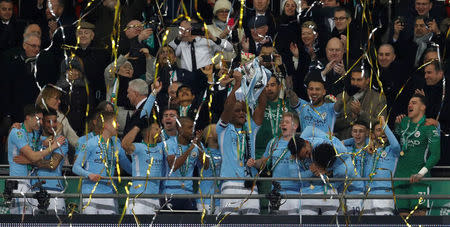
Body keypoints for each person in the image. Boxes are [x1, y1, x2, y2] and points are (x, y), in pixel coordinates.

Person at [217, 70, 266, 215]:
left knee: (252, 224)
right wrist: (237, 83)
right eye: (237, 111)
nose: (241, 113)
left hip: (250, 185)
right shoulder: (222, 129)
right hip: (230, 184)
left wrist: (259, 80)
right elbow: (228, 105)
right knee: (229, 224)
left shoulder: (251, 128)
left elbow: (262, 106)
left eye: (244, 111)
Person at [8, 105, 65, 214]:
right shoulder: (18, 132)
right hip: (18, 181)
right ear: (28, 117)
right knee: (20, 221)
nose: (40, 122)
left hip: (29, 182)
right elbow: (34, 156)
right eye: (38, 119)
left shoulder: (35, 133)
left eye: (41, 119)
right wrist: (52, 147)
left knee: (29, 220)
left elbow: (37, 156)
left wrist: (29, 160)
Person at [72, 111, 132, 214]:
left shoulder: (117, 145)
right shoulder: (90, 143)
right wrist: (89, 174)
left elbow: (130, 169)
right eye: (115, 122)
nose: (118, 125)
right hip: (90, 194)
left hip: (108, 194)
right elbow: (75, 167)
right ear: (106, 125)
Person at [394, 94, 440, 216]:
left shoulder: (429, 127)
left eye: (414, 103)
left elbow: (435, 155)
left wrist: (421, 174)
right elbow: (397, 138)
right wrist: (396, 124)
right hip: (400, 179)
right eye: (409, 103)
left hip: (419, 180)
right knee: (402, 221)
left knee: (419, 219)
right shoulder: (403, 122)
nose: (410, 105)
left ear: (423, 107)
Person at [298, 126, 361, 215]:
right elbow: (308, 129)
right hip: (321, 192)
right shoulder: (319, 143)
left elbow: (333, 184)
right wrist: (298, 145)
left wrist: (324, 173)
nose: (307, 157)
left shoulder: (343, 169)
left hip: (348, 192)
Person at [247, 112, 300, 214]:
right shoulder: (273, 142)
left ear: (295, 126)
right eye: (282, 122)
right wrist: (254, 163)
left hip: (295, 192)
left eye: (287, 122)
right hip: (276, 194)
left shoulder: (301, 143)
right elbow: (263, 162)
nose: (283, 124)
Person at [169, 19, 233, 96]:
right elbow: (167, 51)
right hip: (187, 82)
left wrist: (213, 37)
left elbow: (229, 48)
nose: (186, 32)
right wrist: (179, 37)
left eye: (188, 29)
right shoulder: (180, 44)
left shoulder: (206, 40)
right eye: (182, 29)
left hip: (208, 79)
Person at [121, 119, 165, 214]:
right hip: (138, 198)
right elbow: (125, 144)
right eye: (156, 129)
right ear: (147, 132)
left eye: (160, 129)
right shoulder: (139, 147)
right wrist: (137, 127)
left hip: (155, 199)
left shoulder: (161, 147)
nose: (160, 131)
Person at [164, 117, 208, 210]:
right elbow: (173, 166)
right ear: (180, 128)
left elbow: (206, 165)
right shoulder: (169, 144)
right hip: (170, 194)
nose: (193, 131)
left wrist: (199, 144)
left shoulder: (197, 145)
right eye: (190, 128)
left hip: (188, 193)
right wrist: (190, 148)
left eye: (193, 128)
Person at [334, 67, 387, 139]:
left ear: (367, 81)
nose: (355, 83)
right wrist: (351, 119)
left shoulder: (379, 99)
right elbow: (332, 124)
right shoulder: (341, 97)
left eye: (359, 80)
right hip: (343, 144)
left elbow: (380, 126)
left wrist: (361, 113)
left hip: (368, 146)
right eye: (353, 79)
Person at [364, 116, 401, 215]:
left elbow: (396, 145)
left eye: (384, 129)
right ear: (373, 134)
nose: (383, 132)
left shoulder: (393, 150)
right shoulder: (370, 151)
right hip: (368, 195)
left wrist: (384, 124)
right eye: (379, 130)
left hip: (385, 195)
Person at [75, 21, 110, 105]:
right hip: (76, 97)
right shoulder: (71, 52)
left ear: (92, 36)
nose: (83, 35)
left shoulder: (102, 52)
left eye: (86, 33)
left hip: (95, 96)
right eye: (80, 33)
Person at [196, 124, 222, 214]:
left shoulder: (224, 152)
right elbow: (205, 164)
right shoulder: (202, 151)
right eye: (218, 130)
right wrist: (199, 144)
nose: (221, 131)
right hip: (204, 199)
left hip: (222, 199)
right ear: (209, 135)